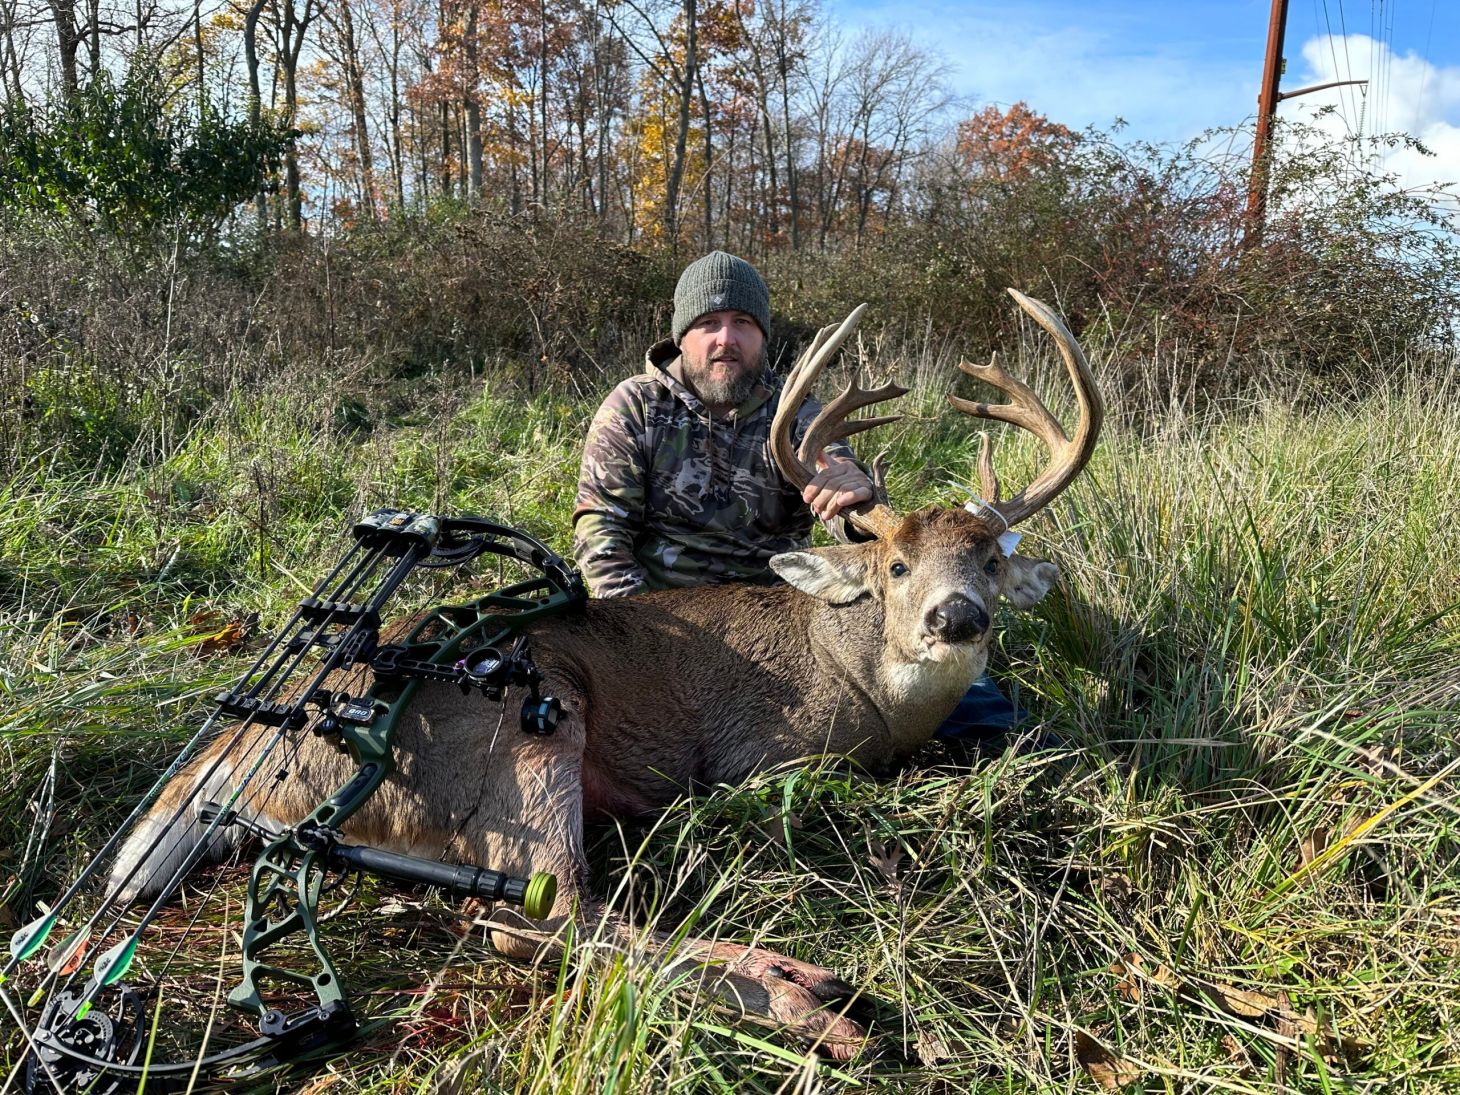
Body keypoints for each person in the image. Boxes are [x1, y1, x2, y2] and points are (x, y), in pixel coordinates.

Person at [572, 250, 1016, 739]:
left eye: (742, 322)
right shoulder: (634, 406)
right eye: (708, 323)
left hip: (780, 619)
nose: (726, 339)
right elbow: (601, 528)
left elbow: (836, 484)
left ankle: (1018, 752)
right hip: (665, 618)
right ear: (682, 337)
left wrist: (849, 493)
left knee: (951, 682)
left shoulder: (797, 410)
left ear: (762, 335)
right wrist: (635, 634)